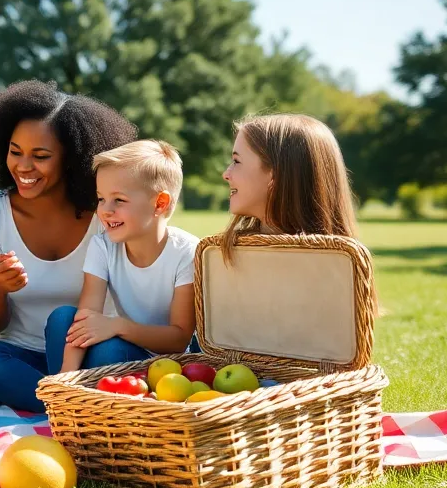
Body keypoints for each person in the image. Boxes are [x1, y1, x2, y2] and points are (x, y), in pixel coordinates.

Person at [0, 79, 139, 412]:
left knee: (113, 353)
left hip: (93, 351)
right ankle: (73, 405)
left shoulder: (105, 213)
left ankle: (43, 397)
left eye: (41, 156)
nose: (23, 167)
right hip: (22, 355)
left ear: (73, 159)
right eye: (15, 152)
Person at [50, 140, 198, 375]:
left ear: (160, 204)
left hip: (165, 365)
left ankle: (77, 396)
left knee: (108, 353)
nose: (105, 210)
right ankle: (63, 396)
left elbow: (179, 339)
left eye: (119, 200)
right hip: (120, 347)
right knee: (62, 319)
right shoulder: (103, 245)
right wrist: (65, 377)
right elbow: (86, 317)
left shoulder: (187, 252)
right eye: (101, 198)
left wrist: (118, 326)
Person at [221, 112, 363, 250]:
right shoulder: (343, 262)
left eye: (236, 161)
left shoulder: (220, 258)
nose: (226, 175)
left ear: (275, 173)